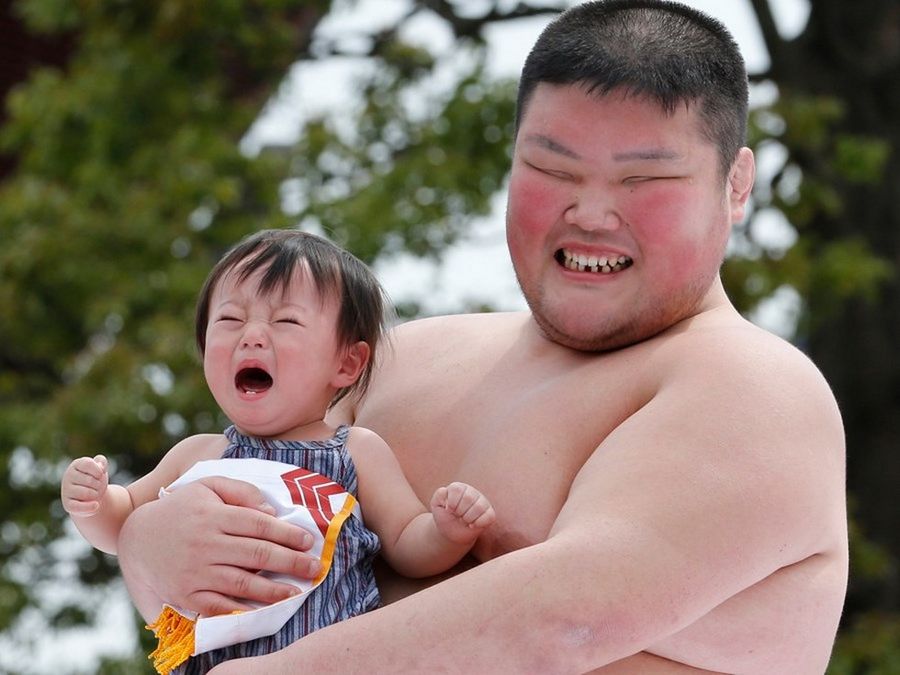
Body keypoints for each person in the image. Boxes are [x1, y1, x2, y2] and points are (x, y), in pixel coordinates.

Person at [115, 1, 849, 672]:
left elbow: (567, 617)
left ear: (736, 183)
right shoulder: (405, 358)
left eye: (643, 180)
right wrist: (145, 547)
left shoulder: (753, 387)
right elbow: (234, 593)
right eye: (551, 167)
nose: (591, 213)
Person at [60, 230, 495, 674]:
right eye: (229, 320)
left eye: (285, 322)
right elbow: (121, 527)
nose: (251, 336)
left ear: (345, 363)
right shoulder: (199, 454)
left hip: (323, 657)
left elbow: (406, 542)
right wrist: (93, 502)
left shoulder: (353, 451)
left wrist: (447, 532)